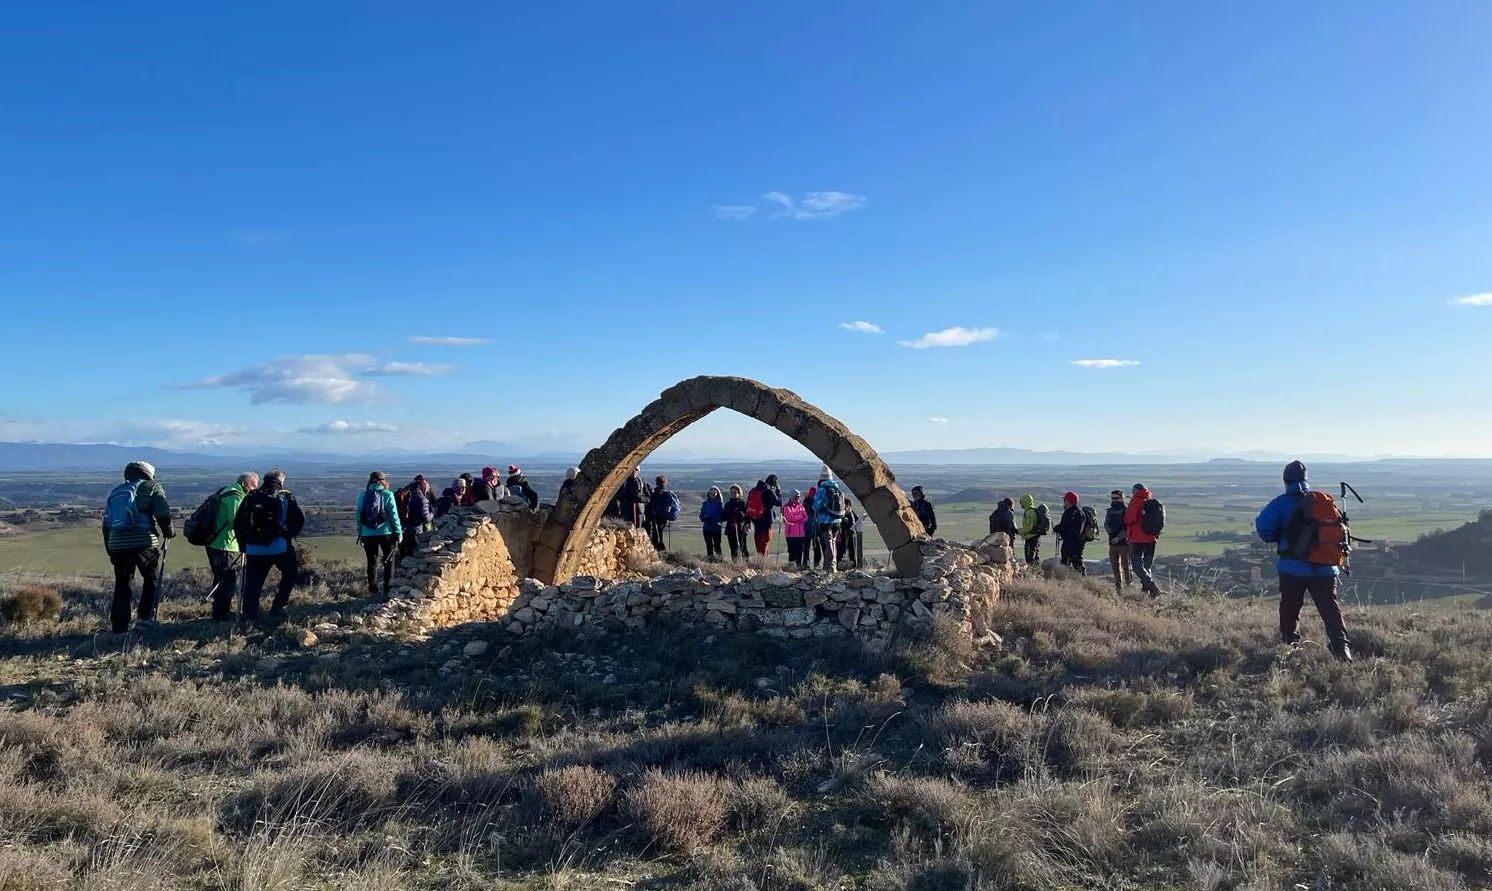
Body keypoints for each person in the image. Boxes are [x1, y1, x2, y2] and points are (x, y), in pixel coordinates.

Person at [1255, 461, 1352, 662]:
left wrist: (1284, 537)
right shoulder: (1323, 502)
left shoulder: (1281, 503)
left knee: (1290, 607)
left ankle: (1289, 648)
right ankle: (1342, 649)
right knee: (1330, 609)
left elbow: (1263, 529)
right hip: (1325, 569)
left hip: (1292, 568)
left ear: (1285, 481)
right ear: (1305, 480)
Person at [101, 461, 174, 633]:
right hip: (144, 542)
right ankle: (144, 619)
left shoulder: (116, 491)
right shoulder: (151, 487)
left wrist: (110, 548)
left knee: (122, 584)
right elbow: (162, 512)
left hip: (117, 544)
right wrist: (169, 532)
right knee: (151, 580)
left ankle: (119, 627)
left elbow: (106, 524)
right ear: (148, 474)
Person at [234, 469, 304, 622]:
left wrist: (243, 546)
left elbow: (238, 524)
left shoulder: (250, 498)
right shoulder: (285, 497)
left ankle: (249, 616)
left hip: (254, 549)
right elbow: (299, 520)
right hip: (280, 547)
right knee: (290, 572)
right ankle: (279, 605)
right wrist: (288, 535)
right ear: (281, 481)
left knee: (253, 583)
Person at [206, 472, 258, 623]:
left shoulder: (226, 490)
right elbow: (235, 521)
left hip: (215, 542)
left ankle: (219, 614)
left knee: (221, 579)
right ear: (244, 483)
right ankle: (221, 616)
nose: (254, 489)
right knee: (227, 582)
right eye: (253, 486)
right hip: (225, 544)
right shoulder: (235, 495)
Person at [356, 471, 403, 595]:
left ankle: (373, 589)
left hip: (367, 533)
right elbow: (394, 515)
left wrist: (360, 533)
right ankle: (388, 588)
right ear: (383, 481)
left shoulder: (362, 496)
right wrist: (398, 531)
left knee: (372, 562)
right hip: (386, 532)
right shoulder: (387, 494)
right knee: (389, 560)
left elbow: (359, 516)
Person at [1124, 483, 1161, 596]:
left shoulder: (1136, 501)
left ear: (1135, 491)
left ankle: (1152, 587)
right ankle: (1147, 591)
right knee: (1147, 565)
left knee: (1136, 565)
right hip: (1151, 538)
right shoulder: (1151, 502)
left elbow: (1129, 519)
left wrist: (1124, 517)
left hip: (1137, 538)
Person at [811, 467, 846, 573]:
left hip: (825, 521)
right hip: (837, 520)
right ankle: (832, 567)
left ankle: (829, 568)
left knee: (828, 544)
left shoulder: (821, 490)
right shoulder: (837, 488)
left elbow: (816, 506)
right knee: (833, 543)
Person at [1105, 489, 1132, 593]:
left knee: (1126, 567)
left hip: (1124, 543)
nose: (1114, 500)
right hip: (1112, 542)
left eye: (1116, 498)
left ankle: (1129, 588)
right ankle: (1118, 589)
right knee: (1115, 566)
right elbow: (1106, 524)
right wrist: (1112, 535)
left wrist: (1119, 537)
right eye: (1112, 498)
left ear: (1121, 498)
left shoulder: (1126, 510)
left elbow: (1128, 527)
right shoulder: (1110, 511)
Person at [1054, 492, 1088, 575]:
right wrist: (1058, 528)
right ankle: (1067, 580)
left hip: (1076, 543)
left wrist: (1062, 530)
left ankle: (1082, 580)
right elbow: (1064, 525)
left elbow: (1077, 531)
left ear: (1069, 501)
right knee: (1065, 563)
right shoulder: (1068, 512)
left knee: (1077, 563)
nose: (1064, 501)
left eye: (1065, 500)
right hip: (1067, 542)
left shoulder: (1078, 513)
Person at [399, 475, 433, 559]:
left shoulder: (405, 494)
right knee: (414, 557)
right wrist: (433, 513)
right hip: (415, 531)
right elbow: (426, 518)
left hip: (402, 530)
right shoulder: (422, 499)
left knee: (404, 556)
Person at [750, 476, 782, 557]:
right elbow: (779, 502)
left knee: (758, 542)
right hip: (766, 520)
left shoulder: (753, 491)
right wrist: (778, 491)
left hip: (756, 519)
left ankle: (760, 559)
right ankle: (763, 563)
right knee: (765, 542)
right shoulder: (769, 491)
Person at [646, 475, 679, 552]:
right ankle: (661, 549)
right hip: (664, 517)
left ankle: (658, 549)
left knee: (656, 533)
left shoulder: (654, 493)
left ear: (657, 483)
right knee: (660, 532)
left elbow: (650, 504)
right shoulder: (666, 494)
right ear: (665, 483)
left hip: (655, 516)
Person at [782, 491, 809, 568]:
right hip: (791, 534)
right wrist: (800, 517)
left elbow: (806, 517)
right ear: (793, 497)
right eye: (797, 497)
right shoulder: (787, 507)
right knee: (792, 552)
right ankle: (790, 568)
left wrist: (797, 518)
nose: (798, 498)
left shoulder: (800, 506)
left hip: (801, 534)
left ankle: (798, 567)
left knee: (799, 552)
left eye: (799, 497)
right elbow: (790, 518)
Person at [723, 484, 750, 561]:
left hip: (741, 529)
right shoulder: (727, 505)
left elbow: (747, 516)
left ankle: (747, 564)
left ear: (739, 493)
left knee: (743, 548)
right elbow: (724, 517)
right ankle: (735, 565)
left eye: (735, 492)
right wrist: (728, 513)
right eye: (731, 492)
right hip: (730, 529)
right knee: (733, 549)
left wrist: (740, 514)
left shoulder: (742, 503)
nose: (733, 494)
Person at [1017, 494, 1045, 566]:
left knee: (1030, 559)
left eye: (1021, 501)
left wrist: (1018, 531)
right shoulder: (1031, 510)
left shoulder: (1029, 512)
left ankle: (1034, 574)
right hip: (1034, 537)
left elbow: (1029, 527)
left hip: (1031, 538)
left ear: (1025, 501)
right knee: (1034, 557)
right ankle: (1037, 573)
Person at [699, 486, 726, 560]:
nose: (713, 494)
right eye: (711, 492)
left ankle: (720, 561)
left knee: (717, 546)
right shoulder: (705, 503)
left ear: (717, 493)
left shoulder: (720, 504)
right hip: (707, 528)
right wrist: (704, 519)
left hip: (717, 528)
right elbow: (701, 515)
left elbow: (723, 516)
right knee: (709, 546)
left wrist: (716, 520)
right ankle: (710, 560)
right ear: (709, 494)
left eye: (714, 492)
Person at [837, 499, 859, 568]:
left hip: (850, 533)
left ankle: (854, 565)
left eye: (847, 506)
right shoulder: (843, 513)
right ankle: (838, 564)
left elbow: (857, 518)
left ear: (849, 506)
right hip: (844, 533)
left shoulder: (850, 512)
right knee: (841, 549)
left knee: (852, 550)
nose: (845, 507)